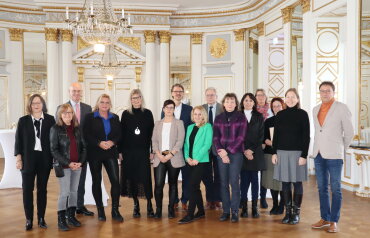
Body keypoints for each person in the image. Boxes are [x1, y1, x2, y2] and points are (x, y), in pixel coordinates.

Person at [311, 81, 354, 233]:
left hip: (335, 155)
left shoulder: (341, 108)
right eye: (322, 91)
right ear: (320, 92)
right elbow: (318, 132)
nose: (325, 93)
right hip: (318, 154)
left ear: (333, 92)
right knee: (322, 188)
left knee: (336, 188)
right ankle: (324, 218)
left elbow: (349, 132)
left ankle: (334, 221)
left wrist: (342, 148)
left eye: (328, 91)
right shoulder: (315, 109)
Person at [15, 94, 56, 231]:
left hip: (44, 159)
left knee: (42, 190)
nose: (36, 105)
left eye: (39, 103)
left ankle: (41, 218)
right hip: (28, 160)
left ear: (43, 104)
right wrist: (18, 158)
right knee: (27, 190)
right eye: (33, 103)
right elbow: (18, 142)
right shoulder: (23, 121)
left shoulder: (50, 120)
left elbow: (54, 141)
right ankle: (29, 219)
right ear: (30, 106)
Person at [272, 88, 310, 225]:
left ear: (298, 99)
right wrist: (274, 153)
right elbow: (276, 136)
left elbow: (306, 137)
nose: (290, 99)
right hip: (282, 152)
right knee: (285, 183)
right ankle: (287, 212)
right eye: (287, 97)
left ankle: (296, 213)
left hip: (297, 154)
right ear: (285, 99)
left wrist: (304, 155)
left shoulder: (303, 114)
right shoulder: (280, 115)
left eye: (293, 97)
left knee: (297, 183)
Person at [83, 94, 123, 222]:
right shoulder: (90, 117)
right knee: (96, 181)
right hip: (95, 152)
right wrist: (99, 143)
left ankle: (115, 210)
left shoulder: (115, 117)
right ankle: (100, 210)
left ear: (110, 104)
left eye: (107, 102)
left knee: (116, 181)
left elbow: (120, 134)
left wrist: (113, 142)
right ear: (98, 103)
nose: (104, 105)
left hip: (111, 152)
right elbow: (86, 134)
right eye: (102, 102)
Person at [57, 82, 94, 216]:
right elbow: (58, 129)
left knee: (81, 180)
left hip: (82, 151)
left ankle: (79, 205)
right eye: (74, 91)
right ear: (69, 92)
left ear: (81, 92)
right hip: (66, 152)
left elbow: (89, 130)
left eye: (79, 91)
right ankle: (67, 208)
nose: (76, 94)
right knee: (67, 185)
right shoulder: (61, 108)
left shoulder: (87, 108)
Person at [50, 104, 87, 231]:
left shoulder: (77, 128)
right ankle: (61, 219)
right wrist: (68, 162)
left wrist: (80, 162)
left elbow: (84, 147)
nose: (68, 115)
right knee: (64, 193)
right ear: (60, 115)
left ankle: (71, 216)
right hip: (64, 166)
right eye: (65, 113)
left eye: (70, 113)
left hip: (77, 166)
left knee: (74, 192)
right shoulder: (55, 129)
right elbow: (54, 150)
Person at [119, 89, 155, 218]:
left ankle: (150, 204)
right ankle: (136, 205)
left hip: (143, 152)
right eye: (133, 98)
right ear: (131, 100)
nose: (136, 100)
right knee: (132, 179)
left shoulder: (148, 113)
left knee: (145, 178)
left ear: (141, 98)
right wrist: (120, 152)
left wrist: (152, 151)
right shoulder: (125, 114)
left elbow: (152, 134)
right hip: (128, 153)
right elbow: (121, 135)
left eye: (138, 97)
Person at [213, 93, 247, 223]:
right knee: (223, 183)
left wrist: (228, 152)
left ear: (236, 104)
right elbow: (215, 137)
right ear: (224, 103)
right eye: (227, 101)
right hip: (221, 153)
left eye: (232, 101)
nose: (230, 104)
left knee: (234, 182)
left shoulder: (241, 117)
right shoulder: (218, 118)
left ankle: (234, 211)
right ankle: (226, 211)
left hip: (236, 153)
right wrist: (222, 152)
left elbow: (241, 137)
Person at [178, 106, 213, 224]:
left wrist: (196, 159)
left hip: (201, 162)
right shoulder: (189, 127)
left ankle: (190, 214)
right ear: (192, 116)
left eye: (199, 114)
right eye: (195, 114)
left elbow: (207, 144)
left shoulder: (207, 127)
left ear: (203, 115)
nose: (197, 116)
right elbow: (186, 144)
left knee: (192, 186)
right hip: (189, 162)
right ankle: (201, 211)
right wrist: (187, 158)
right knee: (195, 187)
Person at [152, 100, 185, 219]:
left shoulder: (179, 123)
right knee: (158, 185)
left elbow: (180, 141)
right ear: (163, 109)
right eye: (167, 107)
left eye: (172, 107)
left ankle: (171, 209)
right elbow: (154, 141)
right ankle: (159, 210)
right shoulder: (157, 123)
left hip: (173, 157)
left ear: (174, 109)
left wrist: (170, 154)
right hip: (159, 157)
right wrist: (159, 155)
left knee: (173, 184)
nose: (169, 110)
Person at [161, 84, 192, 211]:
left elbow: (191, 128)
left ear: (183, 93)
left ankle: (184, 200)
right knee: (172, 177)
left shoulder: (189, 109)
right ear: (172, 93)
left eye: (180, 91)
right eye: (176, 91)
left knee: (186, 176)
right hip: (169, 149)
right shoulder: (165, 108)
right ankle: (173, 200)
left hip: (185, 147)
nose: (178, 93)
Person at [240, 93, 265, 219]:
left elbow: (261, 136)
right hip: (242, 153)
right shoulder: (238, 116)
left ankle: (255, 207)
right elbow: (236, 135)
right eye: (246, 100)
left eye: (250, 100)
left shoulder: (259, 116)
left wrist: (251, 150)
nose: (248, 102)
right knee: (243, 182)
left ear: (254, 103)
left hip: (255, 154)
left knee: (255, 181)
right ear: (242, 102)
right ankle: (244, 207)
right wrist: (245, 150)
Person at [261, 98, 285, 215]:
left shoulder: (288, 120)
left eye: (278, 106)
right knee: (272, 182)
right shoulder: (268, 121)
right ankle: (275, 204)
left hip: (284, 155)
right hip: (270, 154)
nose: (276, 108)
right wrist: (273, 143)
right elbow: (264, 138)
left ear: (283, 106)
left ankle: (282, 205)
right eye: (274, 106)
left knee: (282, 182)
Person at [202, 87, 223, 210]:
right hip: (205, 148)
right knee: (206, 174)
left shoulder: (222, 108)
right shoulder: (201, 108)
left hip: (219, 147)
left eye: (212, 95)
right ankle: (209, 199)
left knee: (219, 174)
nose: (210, 97)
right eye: (208, 95)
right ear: (205, 96)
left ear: (216, 96)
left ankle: (217, 199)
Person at [255, 88, 272, 209]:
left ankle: (263, 198)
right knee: (251, 173)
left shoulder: (271, 110)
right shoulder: (251, 110)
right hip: (254, 146)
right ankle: (249, 197)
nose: (260, 97)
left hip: (267, 146)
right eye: (258, 95)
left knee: (264, 173)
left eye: (263, 95)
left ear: (266, 97)